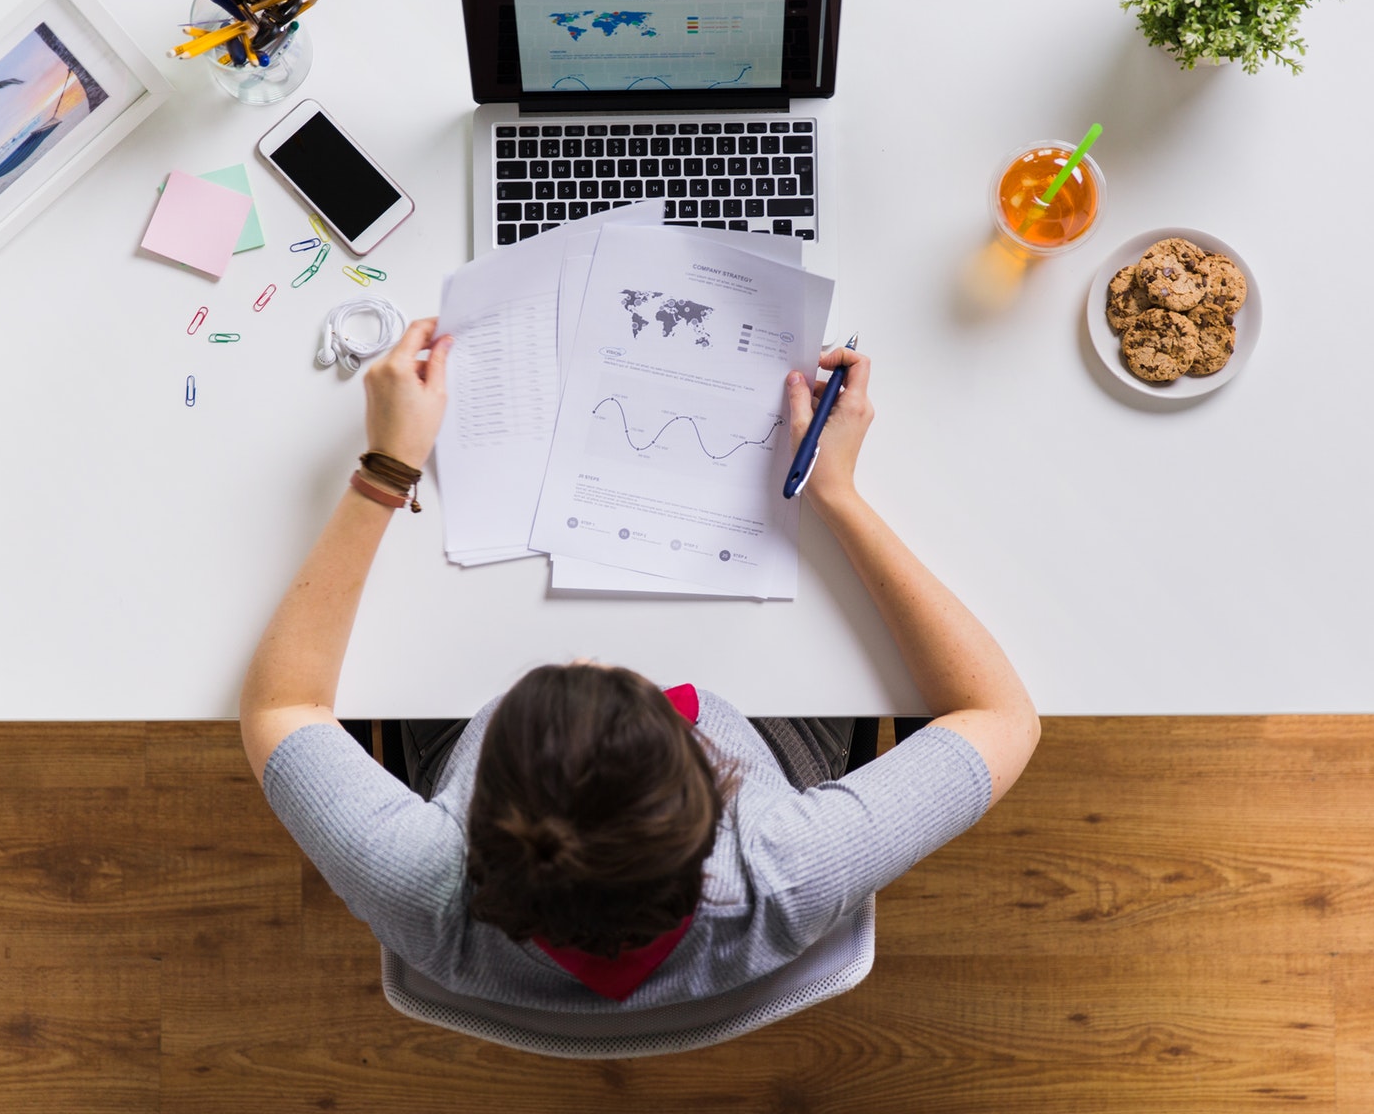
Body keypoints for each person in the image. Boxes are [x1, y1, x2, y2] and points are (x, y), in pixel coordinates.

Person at [241, 318, 1039, 1011]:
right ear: (713, 799)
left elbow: (282, 708)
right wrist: (837, 494)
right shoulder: (789, 868)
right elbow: (1003, 716)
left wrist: (386, 468)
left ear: (472, 817)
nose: (591, 653)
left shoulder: (420, 883)